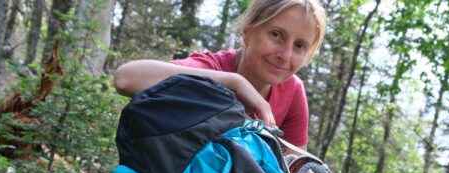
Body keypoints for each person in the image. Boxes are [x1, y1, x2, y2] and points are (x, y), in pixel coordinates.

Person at [112, 0, 327, 149]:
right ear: (248, 30)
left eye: (299, 45)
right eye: (276, 35)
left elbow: (299, 170)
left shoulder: (292, 91)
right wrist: (235, 82)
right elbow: (126, 78)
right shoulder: (214, 68)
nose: (285, 55)